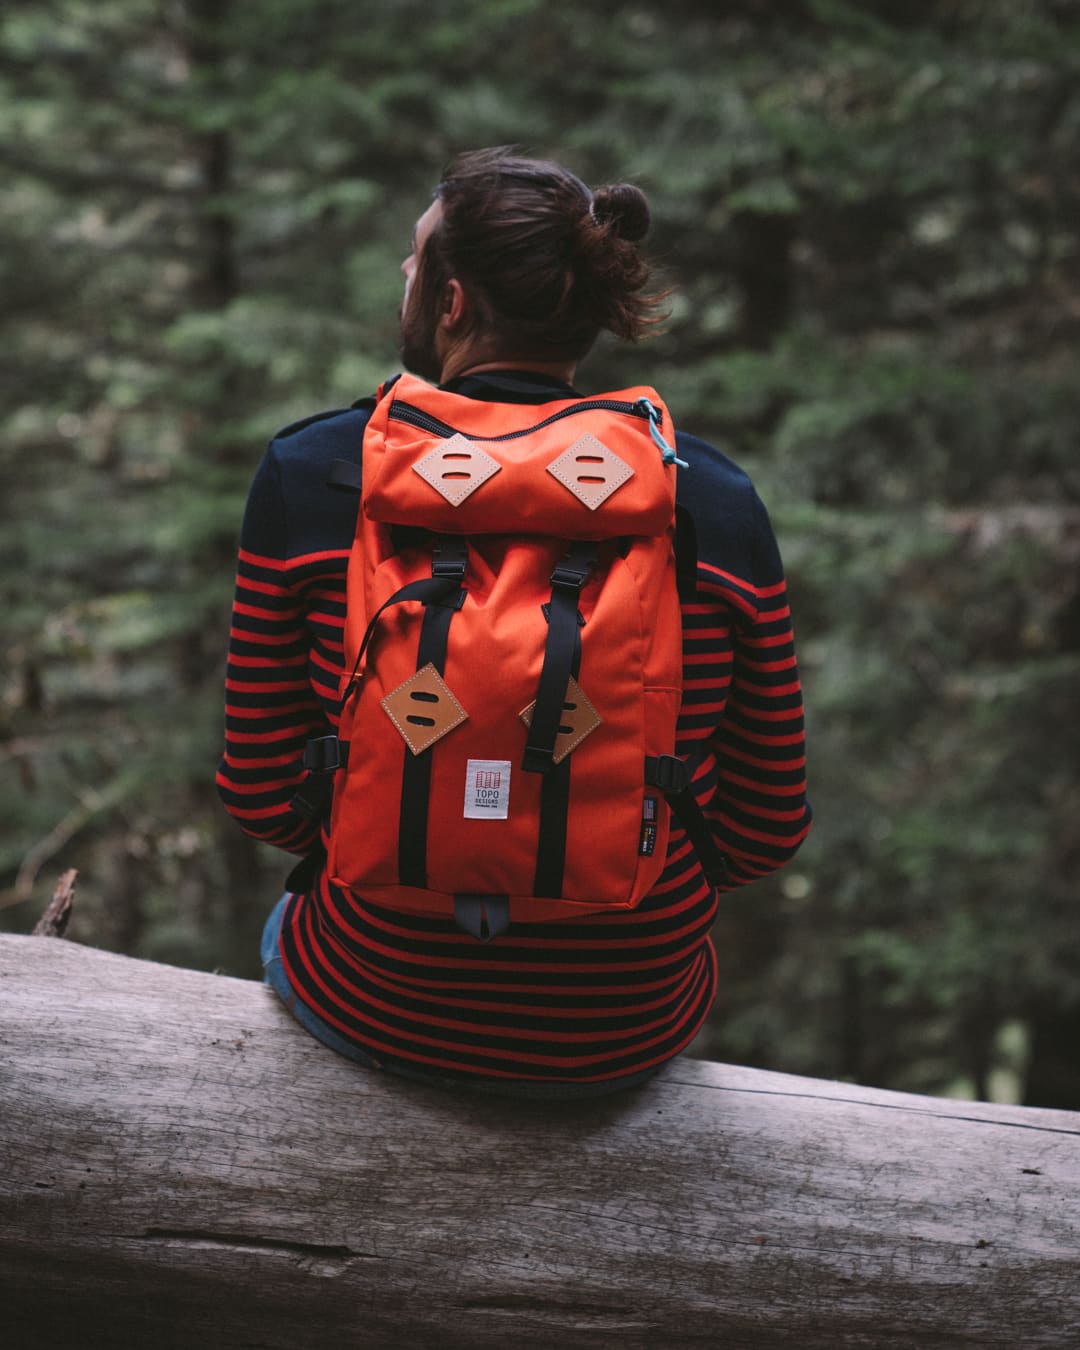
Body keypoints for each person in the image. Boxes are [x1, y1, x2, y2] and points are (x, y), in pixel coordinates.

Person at [217, 148, 812, 1099]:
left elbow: (259, 795)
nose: (404, 280)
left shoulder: (320, 474)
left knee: (294, 936)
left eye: (416, 264)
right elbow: (765, 825)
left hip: (380, 992)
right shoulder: (707, 498)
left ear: (451, 304)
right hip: (623, 1018)